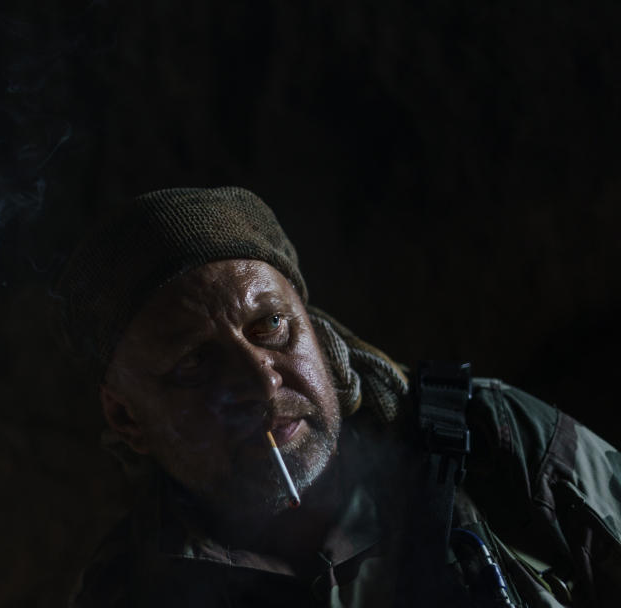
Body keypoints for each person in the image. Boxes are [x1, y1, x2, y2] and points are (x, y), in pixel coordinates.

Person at [55, 186, 621, 607]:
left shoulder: (491, 439)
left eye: (270, 325)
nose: (259, 382)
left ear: (314, 328)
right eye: (196, 362)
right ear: (126, 416)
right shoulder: (130, 592)